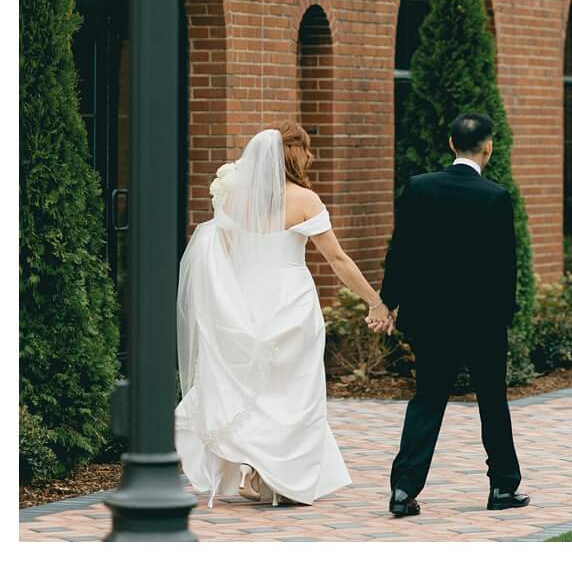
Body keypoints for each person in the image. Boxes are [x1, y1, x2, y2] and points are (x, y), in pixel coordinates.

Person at [173, 123, 362, 507]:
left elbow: (222, 256)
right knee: (294, 390)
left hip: (245, 303)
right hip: (292, 301)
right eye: (307, 150)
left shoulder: (232, 200)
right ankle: (280, 475)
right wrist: (374, 300)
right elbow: (337, 258)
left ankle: (254, 466)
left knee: (252, 387)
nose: (311, 157)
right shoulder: (306, 199)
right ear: (294, 154)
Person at [378, 111, 528, 518]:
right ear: (488, 147)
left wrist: (388, 301)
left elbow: (401, 251)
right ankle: (502, 488)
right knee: (492, 401)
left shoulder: (419, 188)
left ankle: (402, 490)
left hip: (429, 319)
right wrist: (505, 317)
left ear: (450, 144)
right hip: (482, 321)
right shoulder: (495, 196)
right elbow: (505, 268)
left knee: (427, 400)